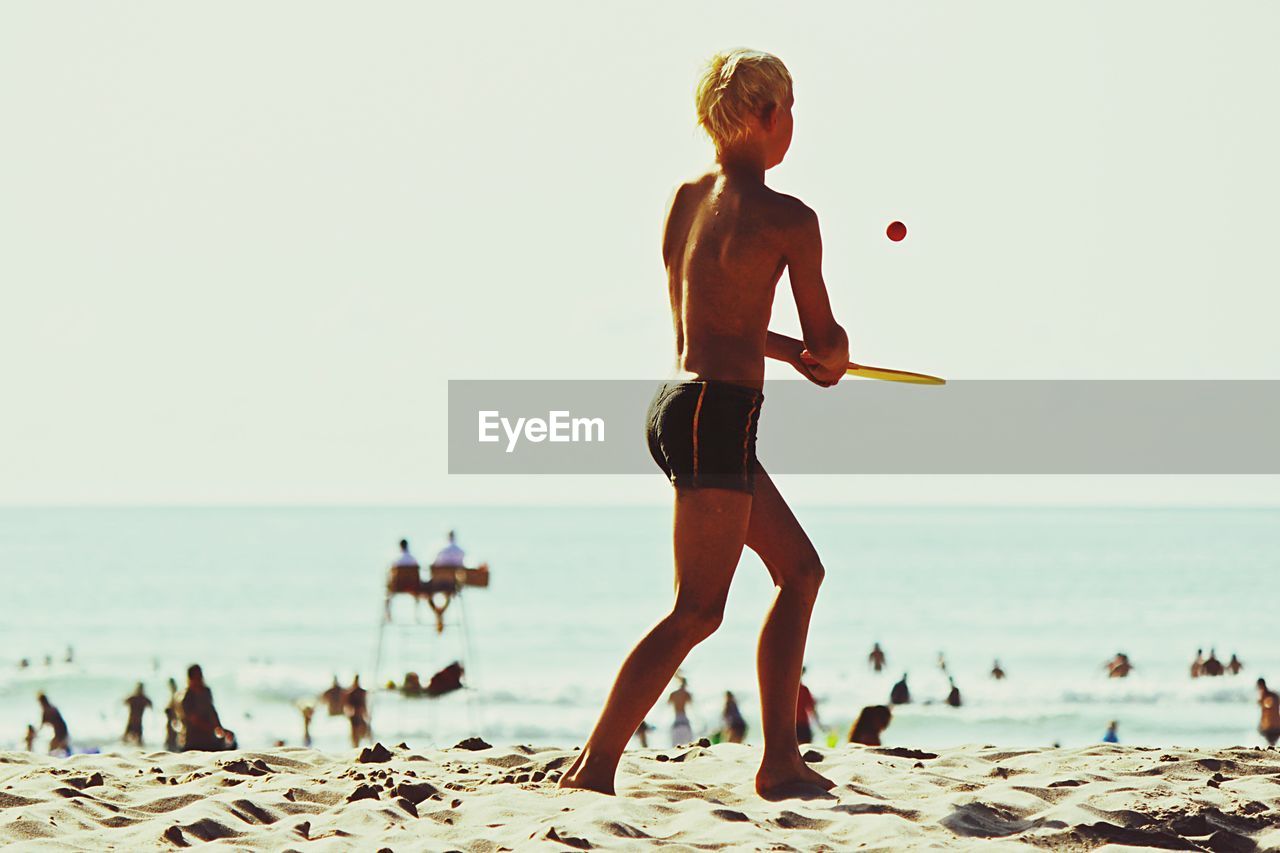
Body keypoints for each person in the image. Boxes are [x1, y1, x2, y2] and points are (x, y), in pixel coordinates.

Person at [560, 48, 848, 802]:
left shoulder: (686, 199)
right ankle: (597, 765)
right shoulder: (792, 219)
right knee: (700, 608)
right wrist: (828, 353)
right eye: (789, 110)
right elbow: (828, 338)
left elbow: (713, 320)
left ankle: (780, 759)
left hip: (683, 406)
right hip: (716, 416)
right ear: (764, 117)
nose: (792, 125)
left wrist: (788, 355)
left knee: (801, 571)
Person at [180, 664, 232, 751]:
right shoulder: (187, 697)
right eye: (197, 676)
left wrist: (221, 728)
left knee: (231, 740)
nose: (200, 679)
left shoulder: (206, 691)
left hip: (209, 736)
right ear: (191, 678)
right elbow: (195, 721)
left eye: (200, 675)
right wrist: (213, 728)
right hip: (194, 740)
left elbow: (212, 711)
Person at [795, 670, 824, 745]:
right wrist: (820, 724)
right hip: (802, 724)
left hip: (791, 724)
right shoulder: (804, 690)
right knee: (805, 747)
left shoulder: (786, 690)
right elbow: (812, 708)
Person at [343, 675, 369, 747]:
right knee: (355, 733)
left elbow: (364, 703)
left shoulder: (360, 692)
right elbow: (347, 705)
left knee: (361, 732)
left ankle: (357, 746)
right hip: (355, 714)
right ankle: (355, 746)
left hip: (357, 714)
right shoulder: (353, 692)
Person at [668, 676, 694, 746]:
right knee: (688, 741)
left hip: (676, 718)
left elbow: (668, 703)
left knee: (675, 742)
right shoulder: (687, 694)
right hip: (683, 718)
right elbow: (692, 705)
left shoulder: (673, 694)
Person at [1258, 679, 1280, 747]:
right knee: (1271, 743)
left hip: (1271, 726)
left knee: (1271, 743)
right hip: (1276, 725)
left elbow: (1267, 710)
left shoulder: (1267, 696)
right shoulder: (1273, 695)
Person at [163, 677, 181, 751]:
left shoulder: (175, 695)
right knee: (171, 737)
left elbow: (172, 709)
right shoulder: (175, 694)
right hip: (173, 720)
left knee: (171, 737)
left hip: (173, 720)